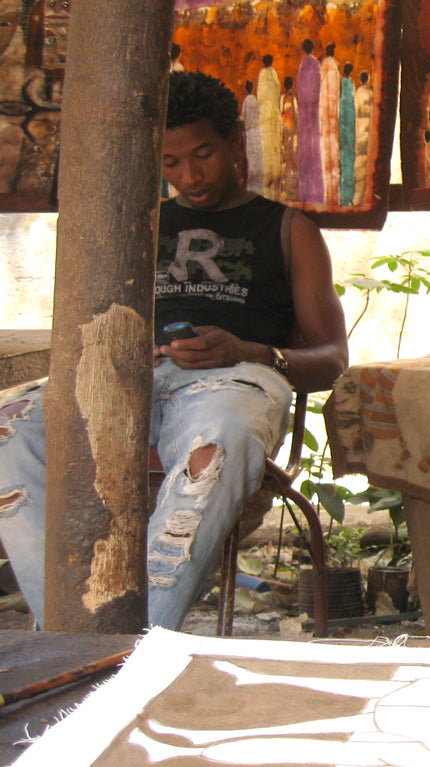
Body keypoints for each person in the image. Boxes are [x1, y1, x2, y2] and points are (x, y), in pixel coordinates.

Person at [0, 70, 348, 630]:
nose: (190, 176)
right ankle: (74, 635)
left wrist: (248, 349)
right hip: (130, 377)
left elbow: (332, 358)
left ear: (236, 142)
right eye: (170, 162)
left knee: (221, 442)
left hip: (234, 383)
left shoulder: (288, 230)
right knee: (7, 432)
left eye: (204, 154)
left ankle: (131, 642)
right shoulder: (138, 223)